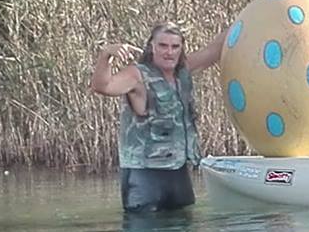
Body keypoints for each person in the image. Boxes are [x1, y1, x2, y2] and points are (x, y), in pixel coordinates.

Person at [91, 21, 225, 212]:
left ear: (181, 49)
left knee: (183, 227)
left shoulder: (183, 71)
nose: (169, 52)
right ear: (152, 47)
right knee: (145, 227)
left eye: (175, 46)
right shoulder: (137, 75)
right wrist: (106, 55)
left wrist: (246, 18)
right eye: (163, 46)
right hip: (144, 175)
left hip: (177, 171)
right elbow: (102, 86)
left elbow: (213, 51)